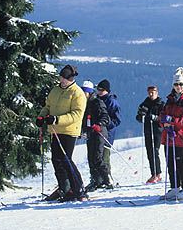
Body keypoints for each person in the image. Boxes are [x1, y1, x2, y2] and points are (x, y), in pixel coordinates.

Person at [36, 65, 88, 201]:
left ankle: (79, 189)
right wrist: (42, 117)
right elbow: (48, 106)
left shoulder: (77, 93)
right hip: (55, 130)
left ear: (71, 79)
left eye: (65, 79)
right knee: (56, 160)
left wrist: (57, 119)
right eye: (61, 78)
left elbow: (77, 115)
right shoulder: (55, 90)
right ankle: (64, 188)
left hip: (69, 131)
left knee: (66, 159)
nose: (62, 81)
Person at [159, 67, 183, 200]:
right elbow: (163, 114)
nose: (178, 87)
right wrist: (163, 122)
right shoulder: (170, 99)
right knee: (170, 163)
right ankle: (175, 187)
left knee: (179, 162)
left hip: (180, 137)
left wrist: (172, 121)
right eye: (176, 84)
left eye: (180, 84)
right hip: (168, 136)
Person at [85, 80, 112, 192]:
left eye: (85, 92)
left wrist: (99, 124)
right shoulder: (85, 103)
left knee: (97, 157)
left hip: (99, 132)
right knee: (91, 157)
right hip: (91, 132)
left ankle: (107, 179)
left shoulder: (97, 102)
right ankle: (96, 180)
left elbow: (106, 117)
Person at [136, 85, 165, 184]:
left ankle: (157, 174)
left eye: (153, 92)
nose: (151, 94)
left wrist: (155, 118)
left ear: (157, 92)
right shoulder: (145, 103)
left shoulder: (161, 104)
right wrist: (142, 115)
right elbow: (139, 118)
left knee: (154, 151)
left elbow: (164, 117)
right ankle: (154, 173)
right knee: (149, 152)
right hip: (148, 130)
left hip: (157, 130)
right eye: (149, 92)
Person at [96, 79, 121, 187]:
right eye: (98, 89)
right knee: (97, 155)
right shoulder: (97, 100)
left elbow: (117, 120)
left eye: (102, 90)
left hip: (108, 133)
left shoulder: (111, 101)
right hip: (97, 131)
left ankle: (108, 178)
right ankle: (98, 179)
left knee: (105, 156)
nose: (99, 92)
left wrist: (106, 123)